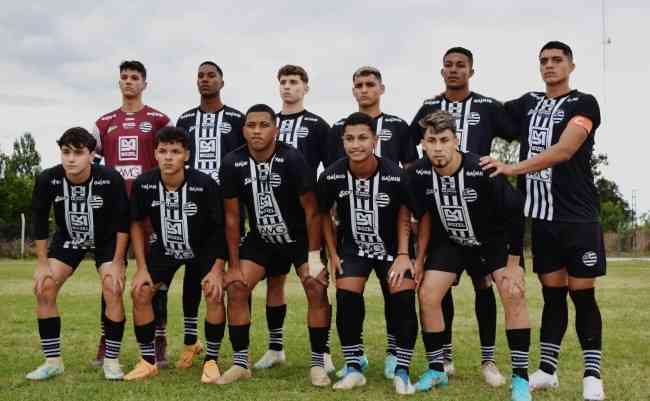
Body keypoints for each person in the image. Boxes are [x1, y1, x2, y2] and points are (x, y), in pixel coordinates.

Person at [480, 41, 605, 401]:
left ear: (571, 65)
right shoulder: (528, 103)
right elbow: (489, 116)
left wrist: (511, 168)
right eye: (544, 61)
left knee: (583, 296)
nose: (549, 66)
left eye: (556, 60)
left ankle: (592, 376)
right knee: (552, 296)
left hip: (578, 217)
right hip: (542, 218)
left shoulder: (584, 103)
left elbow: (565, 150)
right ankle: (547, 370)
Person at [408, 47, 519, 385]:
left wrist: (510, 168)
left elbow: (519, 134)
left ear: (472, 71)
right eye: (448, 65)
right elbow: (407, 148)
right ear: (441, 70)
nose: (454, 70)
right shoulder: (429, 107)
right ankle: (444, 359)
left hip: (483, 210)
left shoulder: (487, 106)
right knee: (439, 289)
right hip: (445, 214)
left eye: (461, 65)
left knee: (484, 284)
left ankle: (489, 360)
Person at [218, 104, 331, 387]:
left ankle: (319, 362)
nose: (257, 131)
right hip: (262, 238)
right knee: (236, 287)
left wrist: (315, 256)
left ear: (275, 130)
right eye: (251, 125)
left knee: (315, 286)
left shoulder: (292, 158)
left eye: (263, 125)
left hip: (298, 237)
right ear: (243, 130)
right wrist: (232, 266)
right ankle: (241, 363)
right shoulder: (232, 162)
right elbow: (232, 217)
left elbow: (312, 210)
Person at [326, 66, 418, 379]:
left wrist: (406, 253)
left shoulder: (395, 171)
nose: (356, 144)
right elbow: (321, 211)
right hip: (353, 244)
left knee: (400, 294)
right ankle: (355, 362)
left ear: (375, 140)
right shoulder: (334, 173)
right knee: (346, 295)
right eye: (350, 139)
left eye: (362, 138)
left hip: (393, 243)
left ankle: (397, 357)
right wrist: (330, 252)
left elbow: (407, 207)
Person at [123, 126, 228, 383]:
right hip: (166, 248)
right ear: (155, 154)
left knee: (214, 292)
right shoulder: (144, 183)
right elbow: (136, 223)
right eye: (163, 151)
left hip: (202, 249)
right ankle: (148, 361)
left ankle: (211, 360)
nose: (168, 157)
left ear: (187, 155)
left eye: (175, 151)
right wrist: (141, 267)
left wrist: (217, 269)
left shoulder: (204, 184)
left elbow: (220, 228)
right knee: (140, 291)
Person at [27, 127, 129, 380]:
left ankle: (112, 361)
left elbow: (122, 223)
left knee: (113, 287)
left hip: (105, 241)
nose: (71, 158)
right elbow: (39, 222)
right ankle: (53, 361)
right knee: (44, 287)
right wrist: (42, 263)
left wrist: (117, 262)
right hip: (69, 239)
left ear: (92, 155)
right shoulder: (47, 178)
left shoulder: (110, 178)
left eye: (78, 153)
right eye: (66, 152)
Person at [92, 60, 174, 367]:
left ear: (144, 83)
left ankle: (159, 338)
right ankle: (106, 340)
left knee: (154, 278)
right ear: (119, 82)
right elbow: (92, 162)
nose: (129, 81)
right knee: (111, 276)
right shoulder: (103, 123)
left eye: (134, 77)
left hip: (150, 210)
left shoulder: (158, 120)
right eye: (124, 77)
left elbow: (171, 157)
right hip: (115, 211)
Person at [254, 64, 333, 371]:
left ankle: (323, 352)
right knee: (274, 283)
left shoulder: (317, 125)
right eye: (283, 82)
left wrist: (325, 207)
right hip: (269, 218)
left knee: (314, 282)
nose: (287, 87)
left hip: (304, 219)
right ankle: (275, 348)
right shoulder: (264, 123)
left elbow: (329, 168)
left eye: (294, 82)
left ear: (305, 88)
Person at [173, 61, 245, 369]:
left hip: (227, 207)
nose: (205, 80)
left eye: (211, 75)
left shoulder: (236, 118)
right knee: (193, 275)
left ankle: (237, 350)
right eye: (200, 76)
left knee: (231, 277)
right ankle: (192, 342)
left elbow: (244, 161)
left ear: (222, 81)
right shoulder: (186, 118)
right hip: (191, 208)